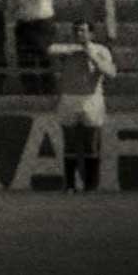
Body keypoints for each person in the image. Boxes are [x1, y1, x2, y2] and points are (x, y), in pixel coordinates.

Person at [49, 21, 117, 193]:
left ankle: (91, 184)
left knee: (91, 143)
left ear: (91, 34)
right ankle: (70, 184)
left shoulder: (100, 50)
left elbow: (111, 72)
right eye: (76, 31)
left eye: (83, 31)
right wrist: (71, 50)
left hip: (91, 99)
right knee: (69, 143)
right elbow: (50, 50)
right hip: (69, 98)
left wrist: (92, 55)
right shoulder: (68, 50)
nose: (79, 34)